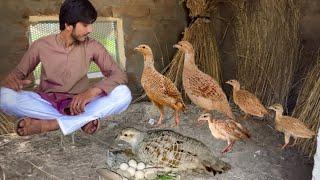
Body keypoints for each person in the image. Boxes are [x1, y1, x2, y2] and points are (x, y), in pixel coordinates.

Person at [0, 0, 132, 136]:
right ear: (68, 25)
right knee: (4, 97)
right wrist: (10, 82)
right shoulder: (41, 45)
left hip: (81, 105)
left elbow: (119, 75)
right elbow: (16, 76)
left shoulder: (93, 46)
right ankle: (81, 121)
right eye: (85, 25)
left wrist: (91, 92)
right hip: (47, 103)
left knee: (124, 94)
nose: (90, 30)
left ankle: (53, 124)